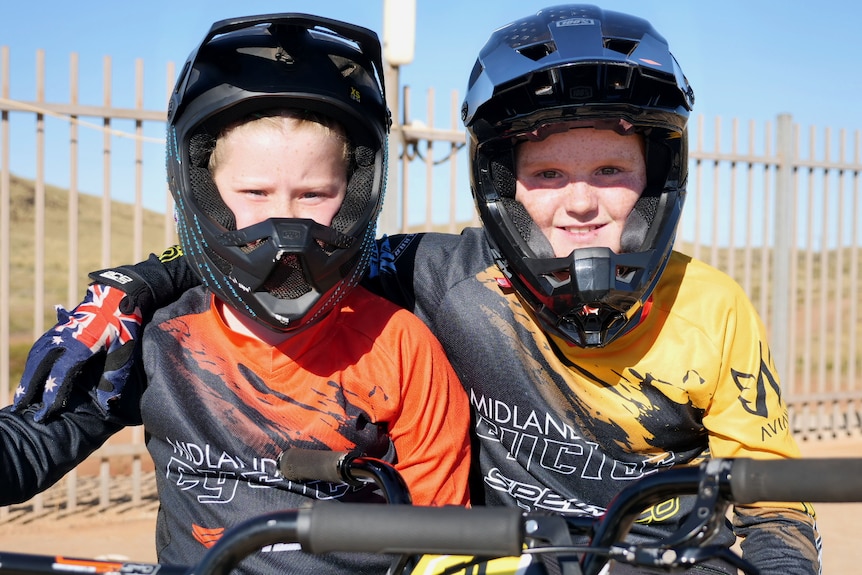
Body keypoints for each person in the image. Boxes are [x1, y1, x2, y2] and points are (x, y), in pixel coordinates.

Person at [7, 5, 820, 575]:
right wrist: (138, 285)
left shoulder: (710, 307)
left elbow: (775, 496)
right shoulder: (440, 273)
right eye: (547, 173)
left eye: (611, 170)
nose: (580, 201)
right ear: (505, 185)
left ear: (655, 180)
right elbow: (281, 262)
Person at [1, 13, 471, 575]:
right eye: (254, 191)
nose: (285, 221)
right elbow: (29, 447)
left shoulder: (400, 345)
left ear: (352, 195)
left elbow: (448, 545)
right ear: (202, 191)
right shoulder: (159, 335)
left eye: (314, 193)